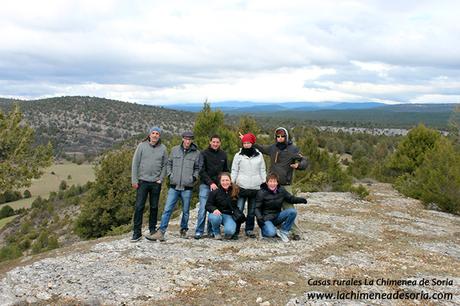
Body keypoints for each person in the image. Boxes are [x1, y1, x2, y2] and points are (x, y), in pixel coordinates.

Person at [252, 127, 308, 240]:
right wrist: (250, 141)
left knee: (290, 208)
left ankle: (295, 232)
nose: (280, 138)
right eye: (278, 136)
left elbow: (304, 160)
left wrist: (299, 165)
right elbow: (262, 148)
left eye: (282, 136)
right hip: (272, 184)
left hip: (285, 184)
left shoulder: (293, 149)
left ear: (286, 137)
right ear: (275, 137)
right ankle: (269, 227)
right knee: (268, 207)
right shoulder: (273, 148)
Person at [151, 131, 200, 241]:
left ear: (192, 140)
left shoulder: (196, 153)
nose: (187, 141)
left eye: (190, 139)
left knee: (186, 211)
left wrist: (193, 178)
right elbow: (169, 163)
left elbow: (197, 168)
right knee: (167, 209)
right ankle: (161, 232)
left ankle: (183, 230)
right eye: (186, 139)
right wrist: (170, 175)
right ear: (182, 139)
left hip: (187, 187)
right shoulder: (174, 150)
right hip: (174, 186)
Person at [130, 126, 168, 242]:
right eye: (153, 133)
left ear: (159, 136)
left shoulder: (163, 148)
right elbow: (135, 163)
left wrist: (161, 178)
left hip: (155, 183)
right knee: (139, 206)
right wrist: (134, 180)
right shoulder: (142, 146)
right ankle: (137, 233)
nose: (155, 135)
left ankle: (152, 230)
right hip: (142, 182)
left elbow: (165, 165)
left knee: (154, 207)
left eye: (157, 133)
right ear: (149, 135)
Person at [231, 132, 266, 239]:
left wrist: (264, 182)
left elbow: (263, 170)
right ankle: (235, 229)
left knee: (252, 211)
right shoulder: (238, 155)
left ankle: (249, 229)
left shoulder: (259, 155)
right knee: (239, 209)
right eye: (244, 143)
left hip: (255, 187)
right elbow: (234, 170)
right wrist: (232, 183)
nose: (246, 145)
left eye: (248, 143)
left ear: (252, 143)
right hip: (241, 186)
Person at [255, 173, 307, 242]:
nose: (272, 184)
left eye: (274, 181)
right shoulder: (261, 192)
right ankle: (264, 230)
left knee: (292, 211)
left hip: (277, 216)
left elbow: (290, 198)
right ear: (267, 183)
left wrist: (301, 200)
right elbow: (257, 208)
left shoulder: (281, 190)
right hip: (266, 218)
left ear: (277, 183)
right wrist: (259, 218)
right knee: (271, 233)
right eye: (270, 181)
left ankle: (283, 231)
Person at [194, 135, 229, 239]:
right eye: (213, 142)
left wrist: (223, 183)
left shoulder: (223, 155)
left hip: (219, 187)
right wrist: (210, 183)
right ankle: (199, 231)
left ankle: (211, 231)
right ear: (210, 142)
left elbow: (225, 170)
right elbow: (201, 171)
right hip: (206, 185)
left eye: (217, 142)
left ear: (220, 143)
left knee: (213, 209)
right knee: (202, 209)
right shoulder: (203, 154)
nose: (215, 144)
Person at [205, 172, 240, 240]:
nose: (225, 182)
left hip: (228, 215)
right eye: (223, 180)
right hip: (216, 214)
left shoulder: (234, 191)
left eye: (227, 180)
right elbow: (208, 205)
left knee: (230, 232)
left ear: (230, 181)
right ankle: (216, 232)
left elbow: (235, 206)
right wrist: (214, 209)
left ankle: (228, 232)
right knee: (215, 218)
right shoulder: (214, 192)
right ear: (220, 182)